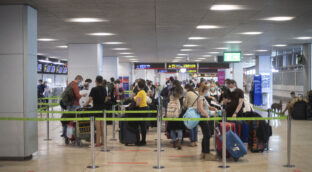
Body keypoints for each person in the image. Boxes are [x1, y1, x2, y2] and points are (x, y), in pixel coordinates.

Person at [83, 76, 107, 147]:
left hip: (96, 109)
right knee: (102, 127)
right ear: (102, 81)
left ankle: (97, 143)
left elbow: (90, 99)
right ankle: (103, 142)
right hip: (103, 109)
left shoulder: (94, 89)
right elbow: (105, 99)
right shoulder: (104, 89)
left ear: (96, 81)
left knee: (98, 127)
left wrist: (85, 105)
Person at [197, 85, 218, 161]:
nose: (208, 92)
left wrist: (214, 108)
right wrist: (206, 114)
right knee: (207, 135)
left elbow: (208, 107)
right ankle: (206, 153)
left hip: (205, 118)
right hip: (203, 119)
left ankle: (204, 153)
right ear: (204, 90)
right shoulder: (200, 98)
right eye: (207, 90)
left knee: (206, 135)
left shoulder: (203, 98)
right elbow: (200, 108)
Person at [167, 81, 184, 150]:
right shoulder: (180, 90)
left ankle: (174, 142)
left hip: (171, 111)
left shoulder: (170, 91)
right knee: (179, 128)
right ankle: (179, 141)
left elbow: (167, 99)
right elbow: (182, 102)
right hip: (178, 111)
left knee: (172, 128)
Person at [134, 79, 149, 146]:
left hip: (141, 110)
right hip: (144, 109)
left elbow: (138, 103)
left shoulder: (140, 93)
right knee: (143, 126)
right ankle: (143, 140)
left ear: (138, 86)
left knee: (141, 126)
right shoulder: (143, 92)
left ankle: (142, 141)